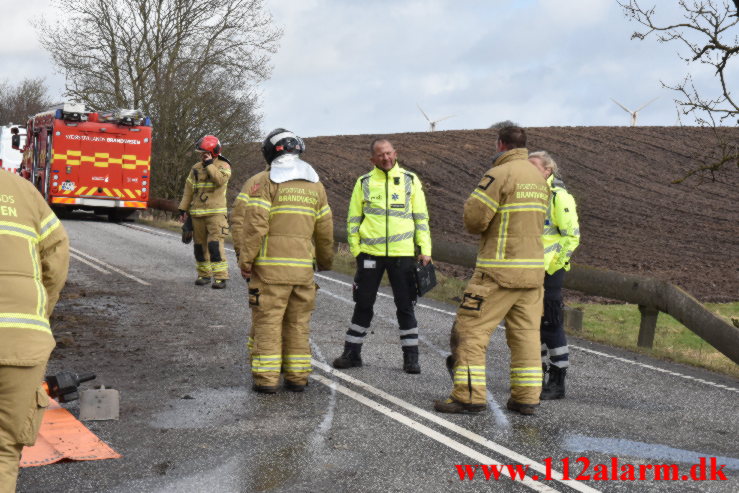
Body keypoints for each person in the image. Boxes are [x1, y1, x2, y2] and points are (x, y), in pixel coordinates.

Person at [434, 126, 549, 415]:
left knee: (469, 331)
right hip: (533, 274)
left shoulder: (499, 175)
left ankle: (469, 396)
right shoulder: (539, 178)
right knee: (526, 337)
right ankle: (526, 398)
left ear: (500, 145)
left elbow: (475, 220)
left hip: (498, 272)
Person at [237, 128, 334, 393]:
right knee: (298, 325)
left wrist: (246, 261)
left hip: (270, 272)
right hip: (303, 273)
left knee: (268, 323)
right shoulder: (316, 186)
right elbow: (325, 232)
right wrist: (324, 263)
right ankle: (298, 377)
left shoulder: (268, 182)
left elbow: (255, 225)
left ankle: (267, 380)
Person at [332, 139, 432, 374]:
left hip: (403, 254)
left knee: (405, 306)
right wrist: (356, 249)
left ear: (395, 153)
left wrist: (425, 249)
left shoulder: (410, 180)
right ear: (372, 159)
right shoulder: (364, 182)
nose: (385, 158)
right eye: (380, 155)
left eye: (388, 153)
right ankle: (351, 353)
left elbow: (421, 217)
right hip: (370, 255)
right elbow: (353, 219)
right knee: (363, 304)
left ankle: (411, 358)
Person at [0, 171, 69, 491]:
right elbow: (57, 255)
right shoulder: (23, 191)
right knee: (4, 451)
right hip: (22, 341)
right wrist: (39, 313)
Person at [529, 151, 580, 400]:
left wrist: (555, 265)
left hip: (550, 271)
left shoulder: (559, 197)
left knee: (551, 324)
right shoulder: (528, 196)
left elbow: (572, 236)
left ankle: (557, 380)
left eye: (534, 167)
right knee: (531, 325)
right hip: (529, 269)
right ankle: (535, 378)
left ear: (547, 170)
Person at [178, 135, 232, 288]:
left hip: (216, 215)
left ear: (213, 152)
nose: (201, 155)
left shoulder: (224, 165)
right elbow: (188, 190)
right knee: (199, 247)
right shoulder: (195, 167)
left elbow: (220, 180)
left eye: (205, 153)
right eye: (201, 153)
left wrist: (209, 164)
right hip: (197, 214)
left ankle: (221, 278)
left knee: (215, 246)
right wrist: (183, 208)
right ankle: (204, 275)